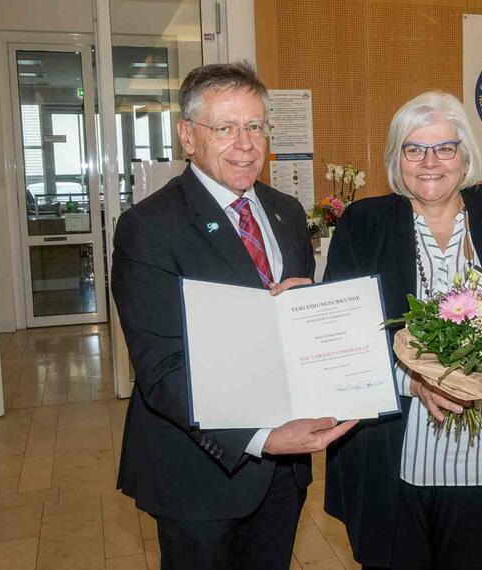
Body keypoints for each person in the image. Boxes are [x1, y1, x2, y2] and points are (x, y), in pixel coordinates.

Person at [111, 61, 356, 570]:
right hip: (198, 470)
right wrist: (262, 437)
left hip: (283, 474)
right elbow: (162, 371)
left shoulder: (287, 212)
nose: (245, 143)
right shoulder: (149, 227)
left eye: (255, 126)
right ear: (187, 136)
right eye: (224, 128)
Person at [323, 91, 482, 569]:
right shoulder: (364, 224)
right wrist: (414, 380)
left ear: (465, 155)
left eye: (444, 147)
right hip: (390, 450)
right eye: (413, 149)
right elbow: (342, 336)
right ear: (396, 160)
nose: (429, 162)